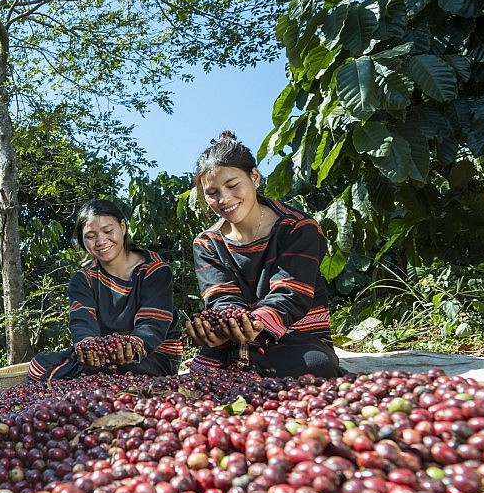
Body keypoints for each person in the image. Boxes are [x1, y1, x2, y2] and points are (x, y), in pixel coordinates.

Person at [185, 130, 343, 378]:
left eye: (232, 185)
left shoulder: (298, 228)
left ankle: (240, 368)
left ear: (255, 178)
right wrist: (226, 327)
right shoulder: (207, 243)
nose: (224, 199)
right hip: (235, 341)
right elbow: (221, 299)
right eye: (212, 193)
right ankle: (241, 364)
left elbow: (290, 295)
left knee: (316, 364)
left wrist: (256, 324)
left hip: (294, 336)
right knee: (204, 371)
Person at [28, 199, 184, 381]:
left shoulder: (154, 269)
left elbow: (153, 324)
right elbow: (82, 323)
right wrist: (88, 349)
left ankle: (103, 377)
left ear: (123, 227)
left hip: (153, 354)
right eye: (90, 236)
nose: (101, 241)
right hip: (104, 356)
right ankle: (104, 376)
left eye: (108, 231)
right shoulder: (83, 280)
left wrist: (131, 346)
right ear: (82, 240)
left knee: (119, 370)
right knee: (39, 365)